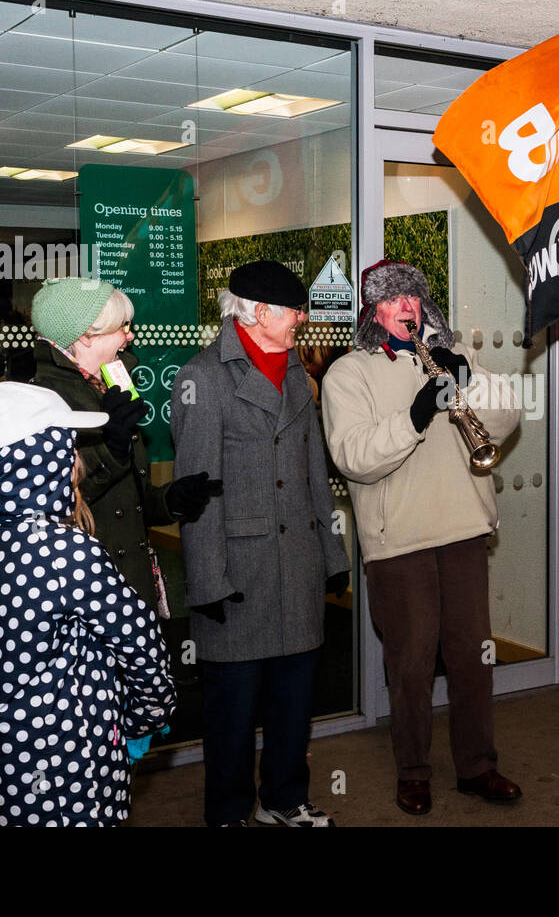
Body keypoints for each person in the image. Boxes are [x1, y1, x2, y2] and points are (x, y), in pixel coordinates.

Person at [321, 259, 522, 816]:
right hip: (398, 538)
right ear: (373, 311)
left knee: (472, 658)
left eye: (413, 295)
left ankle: (478, 766)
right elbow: (354, 458)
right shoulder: (348, 373)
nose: (406, 306)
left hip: (462, 526)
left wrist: (470, 376)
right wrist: (414, 414)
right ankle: (413, 770)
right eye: (392, 299)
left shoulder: (456, 357)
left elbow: (504, 424)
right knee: (410, 665)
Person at [171, 260, 349, 828]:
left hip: (296, 563)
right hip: (236, 572)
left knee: (294, 702)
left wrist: (332, 553)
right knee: (232, 712)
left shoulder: (294, 370)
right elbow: (195, 491)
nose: (302, 318)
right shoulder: (203, 376)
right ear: (260, 313)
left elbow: (314, 473)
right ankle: (227, 815)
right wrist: (206, 583)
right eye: (294, 309)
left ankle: (284, 800)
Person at [0, 381, 175, 826]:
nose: (76, 462)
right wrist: (142, 719)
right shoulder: (67, 552)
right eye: (67, 447)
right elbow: (142, 647)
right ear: (40, 460)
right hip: (68, 766)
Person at [27, 277, 220, 615]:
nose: (130, 336)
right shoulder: (43, 400)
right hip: (80, 585)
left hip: (126, 579)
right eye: (122, 327)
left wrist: (170, 501)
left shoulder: (110, 385)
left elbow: (128, 497)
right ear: (86, 335)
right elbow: (48, 500)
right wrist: (112, 450)